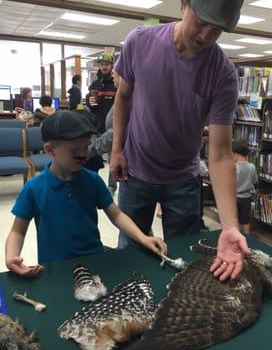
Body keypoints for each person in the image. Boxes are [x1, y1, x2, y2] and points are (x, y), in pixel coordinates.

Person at [111, 0, 250, 282]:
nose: (206, 36)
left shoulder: (223, 74)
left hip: (183, 181)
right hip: (136, 172)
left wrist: (229, 225)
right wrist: (117, 150)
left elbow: (220, 154)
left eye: (217, 30)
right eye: (202, 22)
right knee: (130, 255)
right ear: (184, 2)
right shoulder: (140, 42)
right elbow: (124, 98)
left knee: (186, 260)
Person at [5, 110, 167, 277]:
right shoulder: (33, 188)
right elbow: (18, 231)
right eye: (75, 150)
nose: (84, 154)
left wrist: (142, 237)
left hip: (94, 263)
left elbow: (116, 215)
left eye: (86, 146)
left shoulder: (93, 180)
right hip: (55, 269)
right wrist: (11, 257)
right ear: (50, 150)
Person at [232, 141, 257, 235]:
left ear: (235, 154)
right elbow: (254, 181)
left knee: (234, 218)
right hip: (246, 197)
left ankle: (236, 235)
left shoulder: (233, 167)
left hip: (234, 197)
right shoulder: (252, 167)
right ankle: (247, 235)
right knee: (245, 218)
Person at [87, 53, 116, 133]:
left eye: (106, 64)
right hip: (97, 127)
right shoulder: (95, 84)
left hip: (113, 127)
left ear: (111, 66)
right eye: (101, 64)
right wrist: (89, 101)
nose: (104, 67)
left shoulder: (116, 83)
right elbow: (90, 103)